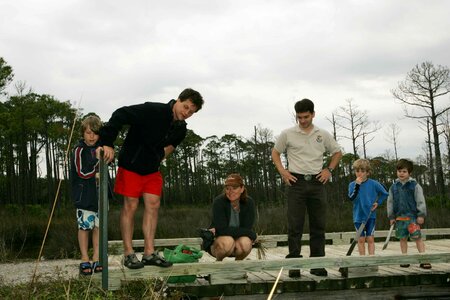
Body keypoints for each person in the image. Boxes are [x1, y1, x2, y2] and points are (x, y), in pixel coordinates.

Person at [99, 88, 204, 269]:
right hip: (131, 165)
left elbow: (171, 146)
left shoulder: (181, 129)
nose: (186, 113)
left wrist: (158, 156)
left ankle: (149, 253)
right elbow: (120, 114)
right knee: (130, 206)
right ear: (178, 100)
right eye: (185, 107)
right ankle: (129, 253)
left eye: (191, 112)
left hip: (151, 170)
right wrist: (107, 142)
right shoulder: (153, 110)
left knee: (153, 205)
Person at [271, 98, 342, 277]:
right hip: (296, 182)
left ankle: (317, 264)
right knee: (295, 225)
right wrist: (283, 172)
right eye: (299, 117)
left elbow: (337, 152)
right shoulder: (288, 134)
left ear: (313, 114)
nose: (302, 121)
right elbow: (275, 152)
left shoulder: (322, 134)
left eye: (306, 117)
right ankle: (294, 264)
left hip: (318, 182)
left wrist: (329, 170)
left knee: (318, 225)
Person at [70, 115, 103, 275]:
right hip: (84, 196)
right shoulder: (78, 150)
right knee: (84, 227)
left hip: (100, 196)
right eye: (89, 132)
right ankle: (84, 259)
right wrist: (97, 160)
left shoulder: (102, 148)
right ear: (83, 132)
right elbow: (82, 172)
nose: (92, 136)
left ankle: (97, 257)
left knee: (98, 226)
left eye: (95, 133)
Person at [387, 158, 431, 269]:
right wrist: (391, 216)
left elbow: (420, 200)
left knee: (417, 238)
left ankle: (424, 259)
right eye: (399, 171)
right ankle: (405, 259)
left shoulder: (414, 185)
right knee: (402, 238)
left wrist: (421, 214)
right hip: (400, 219)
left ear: (409, 173)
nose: (401, 173)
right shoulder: (393, 187)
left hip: (412, 218)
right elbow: (390, 202)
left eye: (404, 171)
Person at [208, 174, 257, 261]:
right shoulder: (219, 202)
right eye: (227, 188)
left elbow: (247, 228)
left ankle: (238, 266)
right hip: (219, 241)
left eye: (234, 188)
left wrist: (247, 232)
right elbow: (222, 230)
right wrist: (250, 233)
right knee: (228, 241)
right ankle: (218, 266)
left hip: (239, 240)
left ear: (242, 189)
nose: (230, 191)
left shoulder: (249, 203)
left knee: (245, 243)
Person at [348, 159, 388, 256]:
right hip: (358, 216)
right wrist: (357, 186)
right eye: (357, 171)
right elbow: (351, 198)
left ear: (368, 172)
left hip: (371, 216)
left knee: (370, 238)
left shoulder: (374, 184)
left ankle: (371, 259)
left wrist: (378, 203)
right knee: (360, 239)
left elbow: (385, 194)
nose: (360, 173)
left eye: (362, 171)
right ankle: (362, 261)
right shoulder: (352, 185)